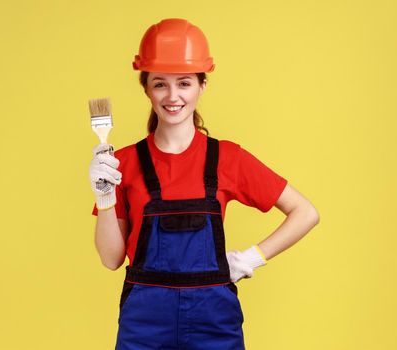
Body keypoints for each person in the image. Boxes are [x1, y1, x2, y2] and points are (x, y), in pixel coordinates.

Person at [90, 18, 319, 350]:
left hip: (214, 324)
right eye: (159, 84)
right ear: (146, 88)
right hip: (144, 325)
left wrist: (249, 259)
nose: (172, 96)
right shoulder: (121, 163)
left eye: (184, 83)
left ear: (202, 86)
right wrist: (104, 194)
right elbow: (111, 259)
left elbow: (305, 212)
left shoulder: (227, 158)